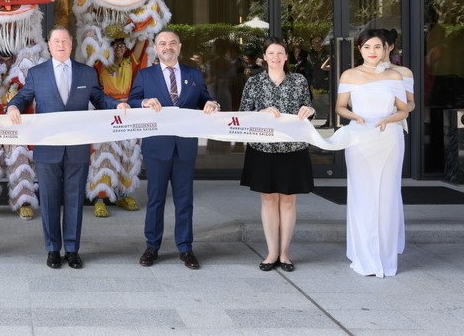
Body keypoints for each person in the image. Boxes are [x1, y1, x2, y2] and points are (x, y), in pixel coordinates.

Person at [6, 26, 118, 269]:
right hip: (48, 149)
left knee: (75, 200)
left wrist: (116, 105)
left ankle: (73, 249)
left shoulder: (86, 73)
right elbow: (24, 96)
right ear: (49, 44)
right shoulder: (37, 73)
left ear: (71, 43)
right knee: (48, 199)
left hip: (77, 148)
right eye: (56, 41)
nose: (60, 45)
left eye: (64, 41)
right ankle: (52, 249)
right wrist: (13, 107)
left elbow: (99, 99)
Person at [126, 30, 220, 270]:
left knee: (184, 200)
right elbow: (132, 101)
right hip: (157, 148)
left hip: (185, 147)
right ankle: (152, 247)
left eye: (172, 43)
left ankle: (186, 248)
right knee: (155, 199)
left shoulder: (193, 74)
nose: (168, 47)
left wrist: (212, 104)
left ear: (180, 47)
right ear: (156, 49)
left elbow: (205, 100)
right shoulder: (145, 76)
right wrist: (144, 102)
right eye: (162, 43)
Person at [335, 29, 409, 277]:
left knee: (387, 197)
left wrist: (390, 119)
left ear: (385, 49)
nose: (373, 52)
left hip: (388, 138)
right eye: (367, 47)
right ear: (360, 49)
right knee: (362, 196)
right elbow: (340, 107)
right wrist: (354, 116)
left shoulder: (395, 76)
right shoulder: (349, 75)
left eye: (377, 47)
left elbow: (403, 110)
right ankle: (363, 255)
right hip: (359, 139)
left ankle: (386, 259)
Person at [238, 37, 315, 273]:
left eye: (280, 53)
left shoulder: (299, 81)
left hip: (293, 148)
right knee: (269, 199)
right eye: (271, 53)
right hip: (263, 149)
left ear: (286, 57)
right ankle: (271, 253)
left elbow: (308, 109)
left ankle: (285, 253)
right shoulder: (254, 82)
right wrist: (260, 113)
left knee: (289, 200)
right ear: (264, 57)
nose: (275, 57)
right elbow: (243, 114)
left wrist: (310, 110)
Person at [87, 37, 147, 217]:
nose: (119, 48)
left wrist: (143, 21)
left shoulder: (130, 62)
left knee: (127, 155)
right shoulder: (99, 64)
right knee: (104, 156)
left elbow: (142, 40)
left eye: (122, 44)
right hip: (106, 111)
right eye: (115, 45)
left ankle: (123, 194)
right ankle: (100, 198)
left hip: (127, 112)